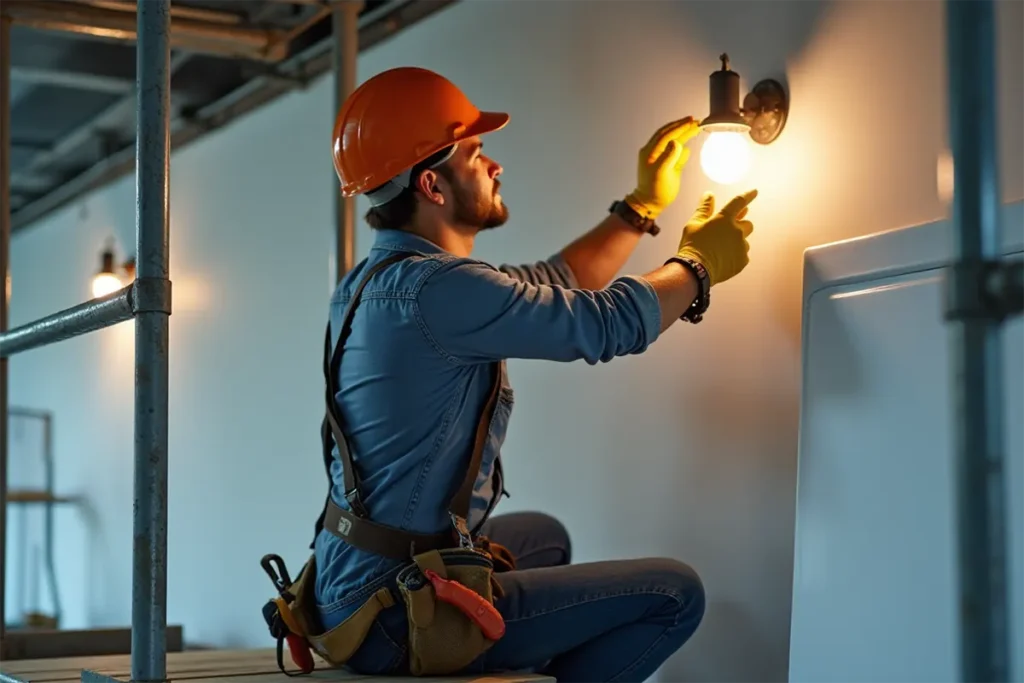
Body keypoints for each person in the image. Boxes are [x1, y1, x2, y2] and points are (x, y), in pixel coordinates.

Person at [311, 66, 757, 682]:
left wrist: (641, 207)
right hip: (393, 615)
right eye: (476, 153)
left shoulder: (374, 284)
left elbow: (553, 283)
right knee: (676, 593)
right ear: (432, 184)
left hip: (347, 587)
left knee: (542, 537)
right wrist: (697, 265)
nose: (494, 166)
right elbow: (605, 325)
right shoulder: (438, 291)